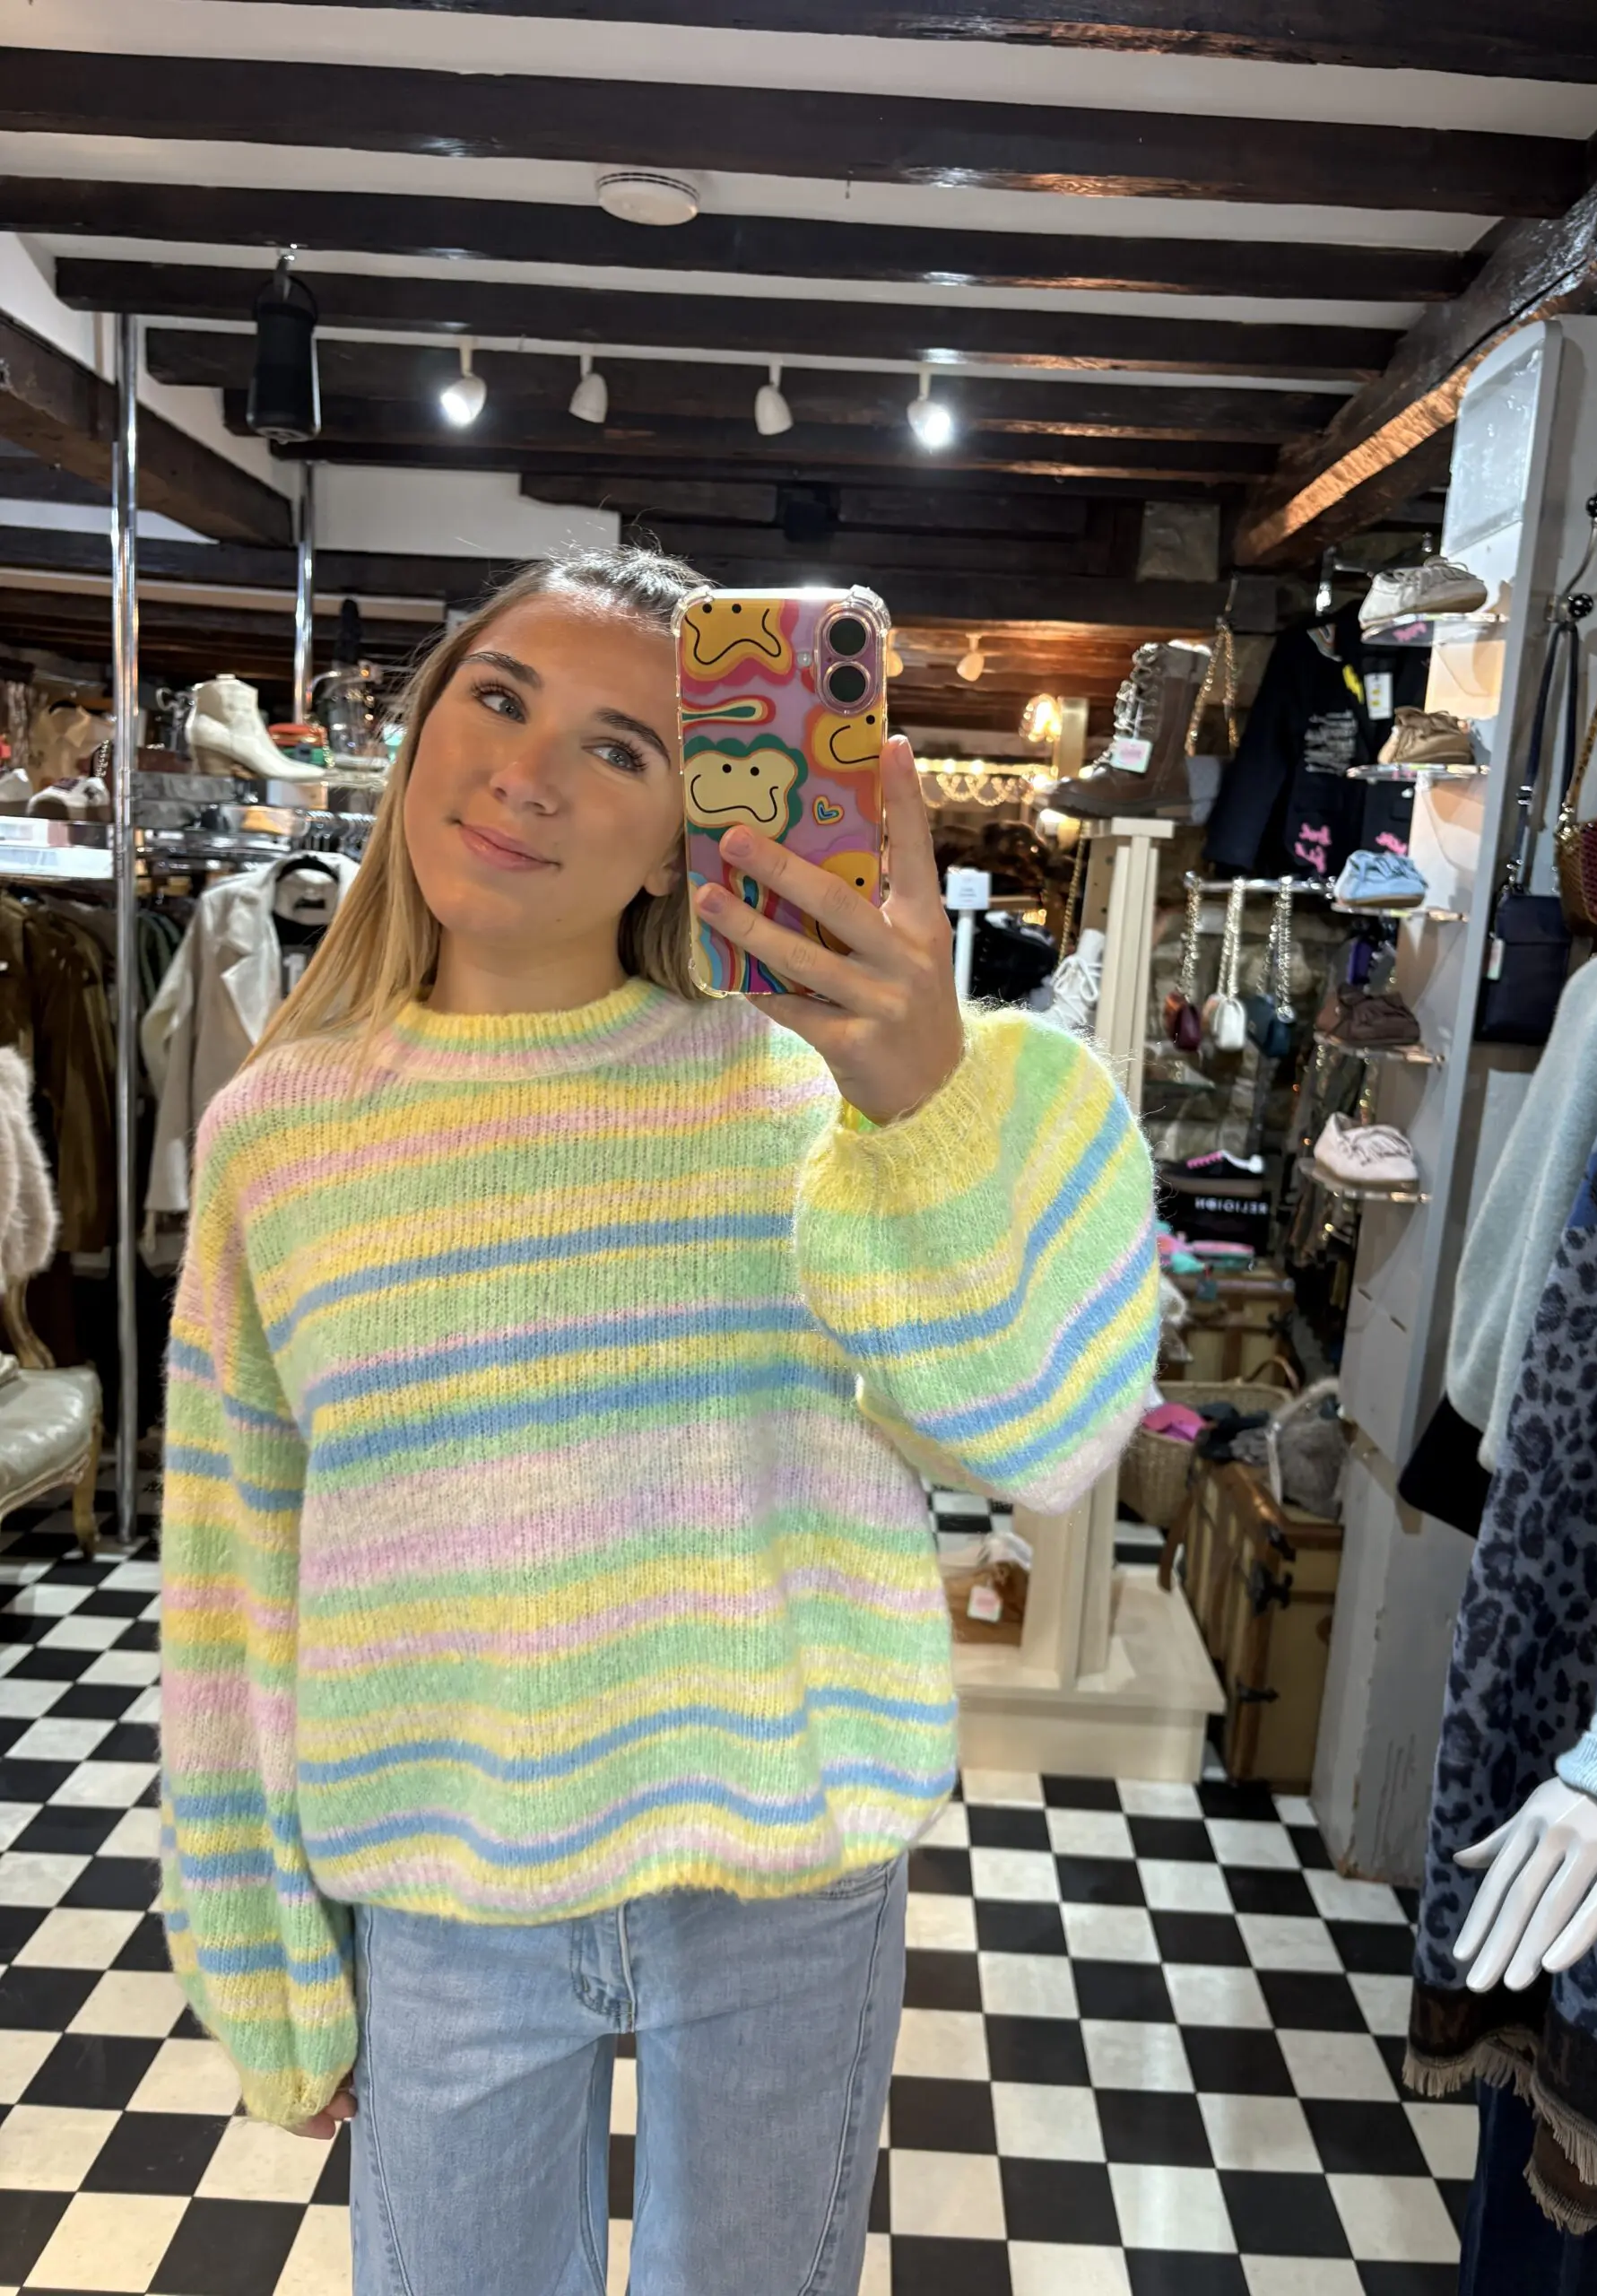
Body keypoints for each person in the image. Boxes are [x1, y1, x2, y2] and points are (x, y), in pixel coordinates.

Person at [159, 545, 1160, 2296]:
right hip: (447, 1877)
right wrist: (261, 1945)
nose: (527, 771)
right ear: (425, 727)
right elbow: (230, 1559)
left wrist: (925, 1098)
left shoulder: (812, 1099)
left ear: (682, 828)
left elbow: (1043, 1437)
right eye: (498, 696)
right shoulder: (281, 1132)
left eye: (622, 747)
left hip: (785, 1867)